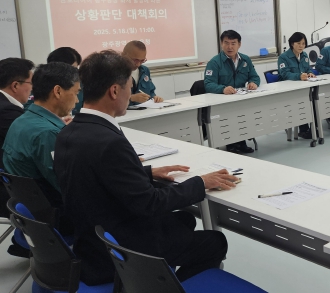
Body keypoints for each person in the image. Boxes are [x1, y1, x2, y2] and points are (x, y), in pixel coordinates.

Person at [54, 50, 239, 285]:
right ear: (114, 91)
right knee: (215, 242)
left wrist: (148, 172)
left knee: (183, 220)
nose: (130, 94)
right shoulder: (109, 142)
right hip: (120, 250)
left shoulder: (68, 132)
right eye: (129, 88)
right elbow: (150, 204)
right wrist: (200, 183)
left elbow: (94, 176)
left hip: (91, 239)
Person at [3, 63, 80, 209]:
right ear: (58, 91)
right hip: (56, 212)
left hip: (31, 208)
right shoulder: (47, 133)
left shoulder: (21, 121)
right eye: (76, 93)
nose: (77, 100)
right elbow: (70, 187)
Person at [204, 30, 260, 153]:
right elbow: (208, 84)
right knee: (230, 116)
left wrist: (253, 83)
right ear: (221, 44)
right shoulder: (214, 62)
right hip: (222, 102)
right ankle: (231, 144)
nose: (230, 47)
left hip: (240, 99)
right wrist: (222, 89)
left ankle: (241, 142)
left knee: (245, 115)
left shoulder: (245, 60)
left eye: (233, 43)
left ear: (239, 44)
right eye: (226, 43)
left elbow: (255, 77)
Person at [278, 32, 315, 139]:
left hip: (302, 87)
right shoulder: (283, 57)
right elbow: (285, 74)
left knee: (314, 100)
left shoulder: (304, 55)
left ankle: (314, 128)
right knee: (302, 102)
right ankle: (304, 129)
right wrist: (299, 76)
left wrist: (310, 73)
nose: (301, 46)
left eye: (303, 43)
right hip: (288, 89)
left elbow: (307, 69)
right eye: (298, 43)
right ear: (292, 44)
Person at [0, 58, 34, 162]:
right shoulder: (7, 111)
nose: (32, 88)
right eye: (31, 83)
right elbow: (31, 140)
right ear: (15, 85)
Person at [122, 40, 164, 105]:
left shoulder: (144, 70)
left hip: (145, 110)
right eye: (135, 60)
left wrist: (155, 98)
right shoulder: (115, 72)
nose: (138, 64)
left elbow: (150, 92)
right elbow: (109, 99)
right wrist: (131, 98)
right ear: (124, 55)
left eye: (142, 60)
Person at [47, 47, 84, 116]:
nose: (75, 72)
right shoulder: (41, 87)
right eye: (73, 68)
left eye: (76, 68)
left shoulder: (82, 85)